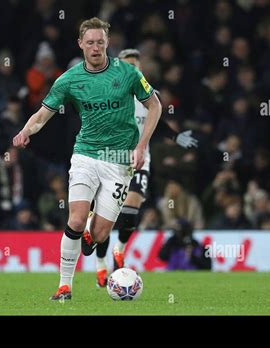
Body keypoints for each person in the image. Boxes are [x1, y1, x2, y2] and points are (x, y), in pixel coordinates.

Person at [12, 18, 162, 301]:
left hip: (120, 161)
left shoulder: (128, 73)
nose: (95, 48)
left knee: (101, 233)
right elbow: (43, 114)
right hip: (86, 155)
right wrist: (25, 131)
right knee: (77, 219)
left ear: (108, 43)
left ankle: (93, 237)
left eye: (100, 42)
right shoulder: (69, 79)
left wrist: (142, 145)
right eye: (90, 42)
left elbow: (154, 104)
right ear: (81, 44)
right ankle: (64, 286)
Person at [93, 49, 198, 287]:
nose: (133, 69)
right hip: (112, 161)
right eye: (128, 65)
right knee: (106, 218)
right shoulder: (109, 95)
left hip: (140, 161)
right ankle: (100, 263)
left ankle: (119, 251)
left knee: (131, 212)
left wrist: (176, 137)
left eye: (136, 66)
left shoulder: (150, 95)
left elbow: (157, 122)